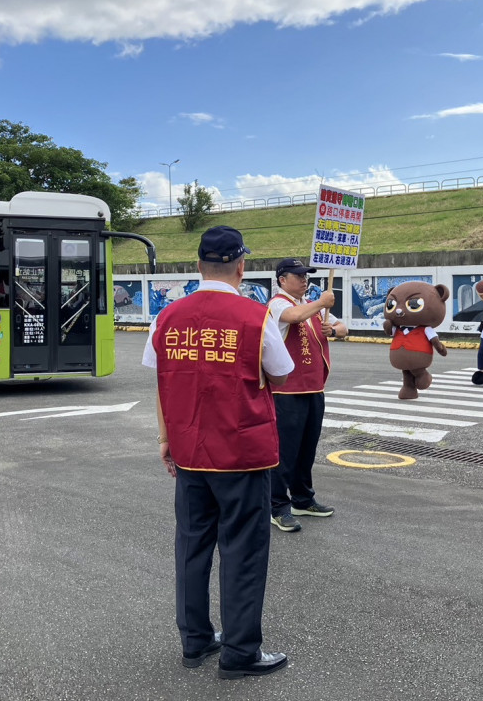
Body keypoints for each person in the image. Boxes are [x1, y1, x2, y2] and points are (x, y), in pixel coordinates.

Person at [142, 225, 294, 680]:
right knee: (243, 552)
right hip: (244, 455)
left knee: (191, 547)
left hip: (189, 452)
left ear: (197, 266)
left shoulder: (166, 317)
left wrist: (165, 439)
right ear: (242, 266)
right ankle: (241, 652)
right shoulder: (256, 317)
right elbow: (281, 376)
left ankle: (194, 641)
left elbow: (163, 380)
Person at [267, 258, 348, 533]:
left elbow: (344, 328)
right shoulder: (279, 303)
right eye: (298, 275)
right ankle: (277, 506)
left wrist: (333, 330)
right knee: (284, 451)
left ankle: (303, 498)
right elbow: (294, 317)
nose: (304, 280)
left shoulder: (313, 305)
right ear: (282, 280)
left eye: (306, 275)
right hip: (286, 391)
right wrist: (322, 303)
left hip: (314, 388)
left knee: (306, 449)